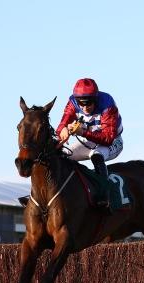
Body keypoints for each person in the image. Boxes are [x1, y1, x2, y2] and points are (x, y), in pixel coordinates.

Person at [56, 78, 124, 209]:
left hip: (112, 142)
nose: (85, 108)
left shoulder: (107, 104)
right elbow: (62, 124)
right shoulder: (72, 102)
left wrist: (82, 132)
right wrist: (62, 130)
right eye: (81, 104)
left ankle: (104, 196)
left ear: (96, 99)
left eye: (89, 104)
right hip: (89, 141)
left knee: (96, 156)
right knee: (60, 155)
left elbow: (107, 139)